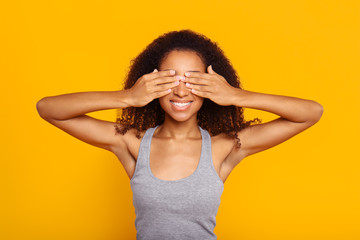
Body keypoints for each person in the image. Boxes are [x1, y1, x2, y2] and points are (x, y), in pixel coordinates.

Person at [36, 29, 323, 240]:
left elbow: (311, 112)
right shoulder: (132, 143)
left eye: (193, 80)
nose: (182, 91)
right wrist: (128, 97)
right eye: (170, 79)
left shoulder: (225, 147)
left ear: (210, 85)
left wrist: (236, 95)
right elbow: (49, 108)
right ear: (152, 82)